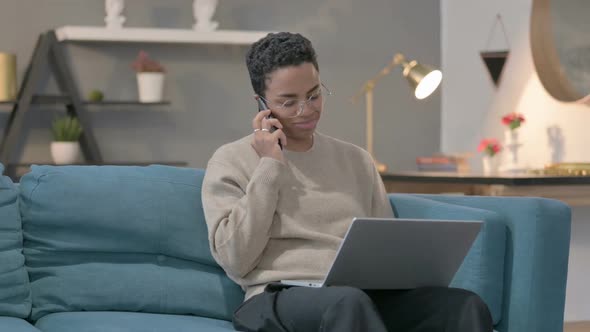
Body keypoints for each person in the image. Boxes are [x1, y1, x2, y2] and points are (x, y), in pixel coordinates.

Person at [202, 32, 493, 332]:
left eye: (314, 95)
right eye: (289, 103)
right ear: (260, 103)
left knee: (462, 305)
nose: (307, 110)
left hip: (358, 296)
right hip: (277, 297)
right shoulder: (231, 160)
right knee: (347, 303)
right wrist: (269, 166)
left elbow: (385, 246)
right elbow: (236, 259)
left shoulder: (356, 160)